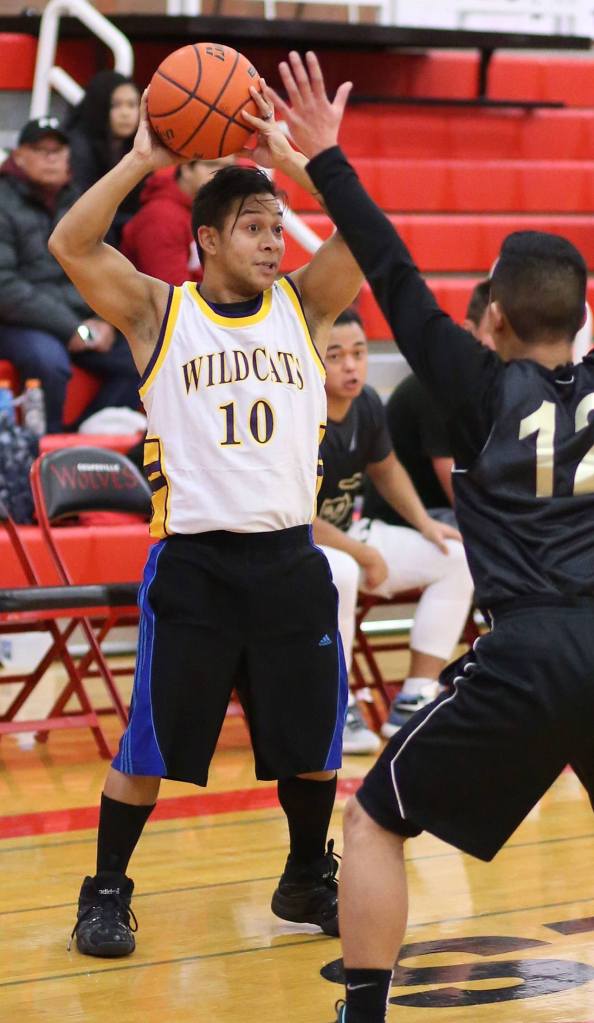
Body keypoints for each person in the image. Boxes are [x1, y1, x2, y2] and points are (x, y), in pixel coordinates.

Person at [271, 51, 594, 1023]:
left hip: (530, 651)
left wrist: (325, 158)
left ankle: (362, 1016)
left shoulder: (480, 383)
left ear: (491, 316)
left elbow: (392, 268)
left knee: (373, 823)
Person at [49, 83, 363, 958]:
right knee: (151, 742)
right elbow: (70, 243)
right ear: (210, 238)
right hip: (195, 565)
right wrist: (143, 161)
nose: (273, 240)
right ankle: (106, 890)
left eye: (277, 225)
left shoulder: (305, 306)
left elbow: (373, 238)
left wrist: (312, 165)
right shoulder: (160, 311)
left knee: (312, 743)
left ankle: (306, 876)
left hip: (290, 561)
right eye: (256, 226)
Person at [314, 308, 474, 746]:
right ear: (311, 357)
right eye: (336, 355)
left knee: (456, 557)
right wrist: (363, 553)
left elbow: (386, 469)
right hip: (296, 547)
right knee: (343, 572)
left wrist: (426, 524)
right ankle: (335, 707)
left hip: (349, 534)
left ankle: (414, 699)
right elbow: (295, 521)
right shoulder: (299, 412)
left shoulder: (366, 403)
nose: (351, 365)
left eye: (359, 353)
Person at [0, 116, 140, 433]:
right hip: (19, 321)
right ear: (19, 155)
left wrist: (105, 320)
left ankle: (83, 439)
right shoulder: (3, 201)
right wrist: (73, 328)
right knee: (47, 362)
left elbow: (105, 267)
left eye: (58, 150)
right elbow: (5, 288)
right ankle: (41, 455)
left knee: (139, 359)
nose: (51, 158)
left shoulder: (80, 199)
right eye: (41, 150)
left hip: (80, 320)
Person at [363, 278, 493, 529]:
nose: (505, 344)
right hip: (401, 522)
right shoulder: (439, 386)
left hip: (443, 514)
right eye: (496, 332)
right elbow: (464, 499)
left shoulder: (503, 383)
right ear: (468, 331)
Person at [121, 158, 233, 285]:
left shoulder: (213, 210)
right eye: (212, 165)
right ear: (186, 168)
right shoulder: (160, 217)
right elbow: (172, 294)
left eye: (228, 168)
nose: (222, 176)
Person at [66, 70, 142, 246]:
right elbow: (83, 210)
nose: (125, 113)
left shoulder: (136, 146)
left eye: (132, 105)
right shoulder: (77, 147)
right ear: (99, 106)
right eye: (116, 105)